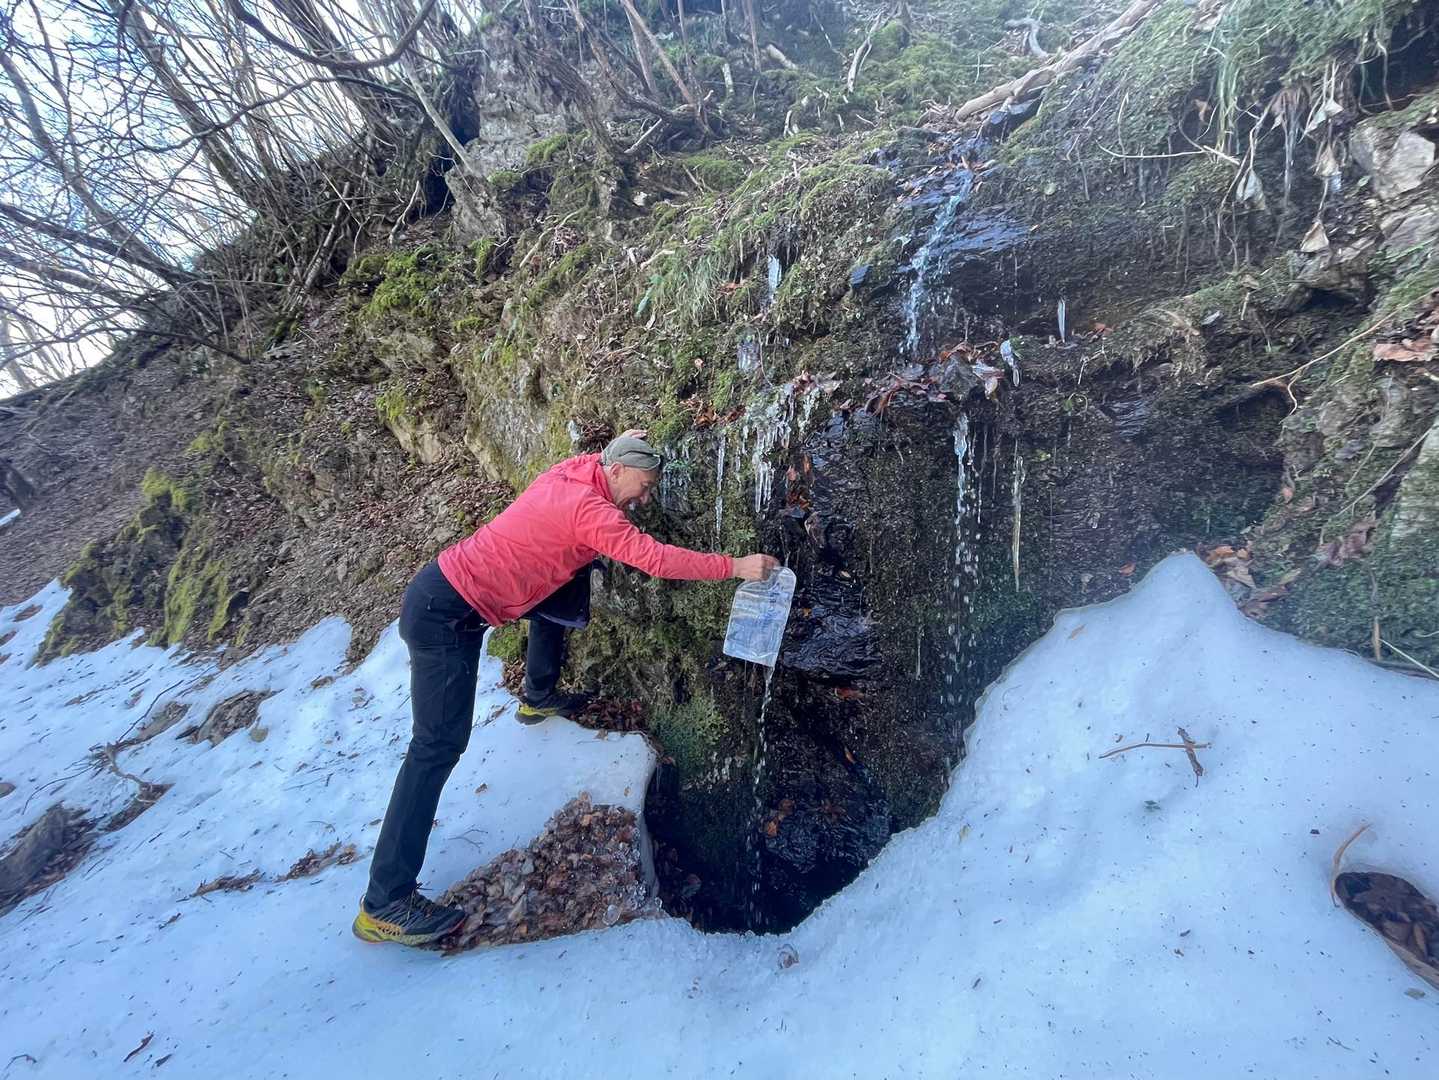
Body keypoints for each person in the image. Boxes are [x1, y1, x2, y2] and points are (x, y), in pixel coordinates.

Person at [353, 431, 779, 945]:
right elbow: (656, 559)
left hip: (451, 593)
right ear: (616, 471)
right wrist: (735, 567)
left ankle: (538, 696)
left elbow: (596, 458)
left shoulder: (576, 472)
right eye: (643, 487)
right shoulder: (592, 512)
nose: (644, 500)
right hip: (443, 617)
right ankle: (385, 902)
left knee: (564, 578)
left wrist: (623, 442)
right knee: (436, 746)